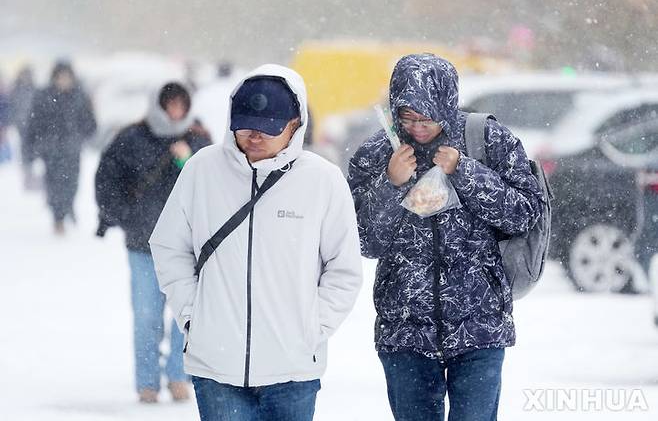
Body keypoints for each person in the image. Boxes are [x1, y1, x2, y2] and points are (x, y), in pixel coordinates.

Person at [149, 64, 363, 420]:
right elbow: (170, 247)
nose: (254, 136)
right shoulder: (202, 170)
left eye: (269, 128)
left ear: (296, 124)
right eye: (245, 125)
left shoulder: (323, 181)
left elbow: (344, 269)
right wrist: (193, 316)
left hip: (293, 373)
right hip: (216, 368)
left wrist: (311, 329)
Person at [348, 53, 543, 421]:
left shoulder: (486, 139)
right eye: (407, 117)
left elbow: (524, 213)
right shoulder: (376, 153)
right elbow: (363, 240)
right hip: (404, 330)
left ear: (448, 106)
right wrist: (392, 185)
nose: (418, 128)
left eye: (427, 117)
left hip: (479, 325)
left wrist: (465, 171)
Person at [95, 82, 212, 403]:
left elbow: (215, 186)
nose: (176, 112)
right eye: (169, 105)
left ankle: (178, 376)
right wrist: (125, 216)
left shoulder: (199, 139)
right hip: (142, 244)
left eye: (181, 105)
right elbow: (107, 179)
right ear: (158, 105)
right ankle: (147, 382)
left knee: (185, 316)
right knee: (146, 315)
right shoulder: (131, 138)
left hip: (188, 247)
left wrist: (186, 161)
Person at [25, 61, 96, 233]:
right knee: (53, 183)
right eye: (61, 77)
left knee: (71, 183)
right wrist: (33, 147)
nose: (64, 80)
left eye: (67, 77)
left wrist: (81, 134)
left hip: (72, 149)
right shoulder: (43, 96)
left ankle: (68, 207)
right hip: (50, 150)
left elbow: (90, 122)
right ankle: (58, 216)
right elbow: (34, 123)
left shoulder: (79, 96)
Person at [8, 66, 38, 187]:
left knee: (31, 146)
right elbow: (12, 106)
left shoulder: (34, 89)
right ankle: (27, 172)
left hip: (31, 123)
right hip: (21, 123)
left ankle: (30, 171)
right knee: (24, 146)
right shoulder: (16, 89)